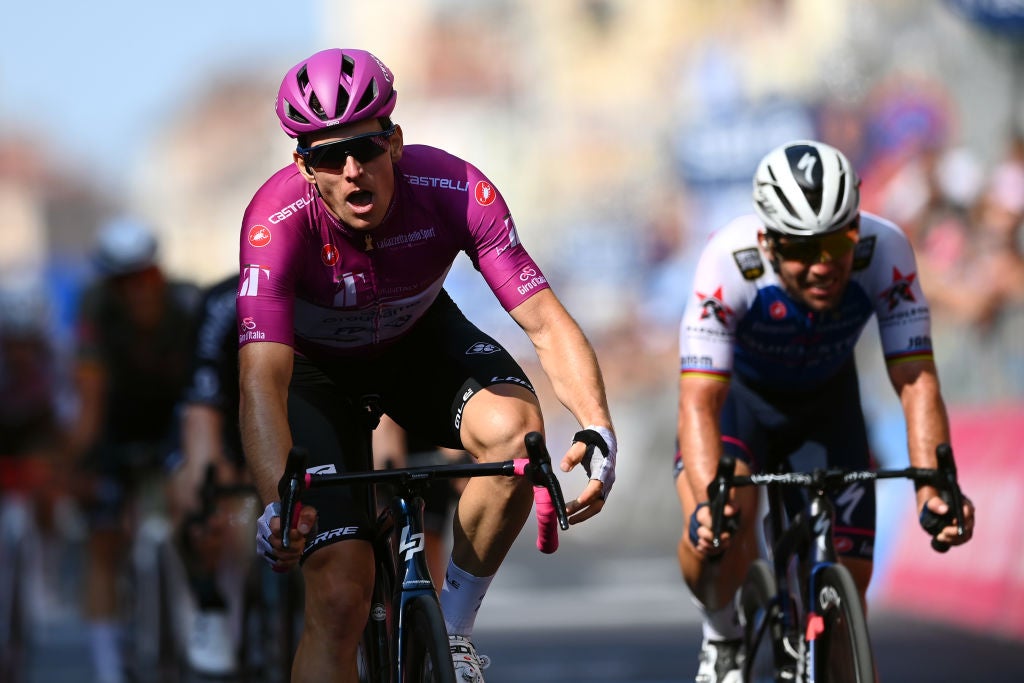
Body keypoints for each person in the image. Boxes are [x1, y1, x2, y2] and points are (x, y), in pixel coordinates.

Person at [238, 48, 617, 683]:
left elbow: (544, 320)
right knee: (338, 598)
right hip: (316, 377)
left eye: (367, 148)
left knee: (515, 433)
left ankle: (455, 631)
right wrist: (280, 500)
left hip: (415, 344)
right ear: (304, 166)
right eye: (330, 156)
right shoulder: (274, 225)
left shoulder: (456, 189)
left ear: (397, 141)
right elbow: (261, 379)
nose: (354, 172)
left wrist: (598, 425)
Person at [673, 140, 975, 682]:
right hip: (740, 407)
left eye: (837, 242)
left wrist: (933, 488)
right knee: (719, 530)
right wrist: (707, 500)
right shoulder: (729, 261)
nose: (822, 266)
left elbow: (916, 380)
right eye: (800, 249)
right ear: (767, 241)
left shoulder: (887, 250)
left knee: (850, 579)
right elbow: (700, 399)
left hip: (827, 408)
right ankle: (722, 637)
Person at [68, 218, 200, 683]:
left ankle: (203, 621)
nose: (137, 292)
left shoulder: (186, 303)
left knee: (199, 514)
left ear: (159, 273)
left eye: (145, 278)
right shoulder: (96, 309)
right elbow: (89, 397)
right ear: (110, 285)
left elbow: (209, 391)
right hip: (116, 422)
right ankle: (108, 669)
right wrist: (77, 462)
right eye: (124, 283)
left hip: (176, 417)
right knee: (103, 541)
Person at [165, 274, 251, 676]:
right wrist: (209, 482)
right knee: (203, 494)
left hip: (297, 410)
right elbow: (202, 403)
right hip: (221, 415)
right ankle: (209, 600)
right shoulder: (223, 302)